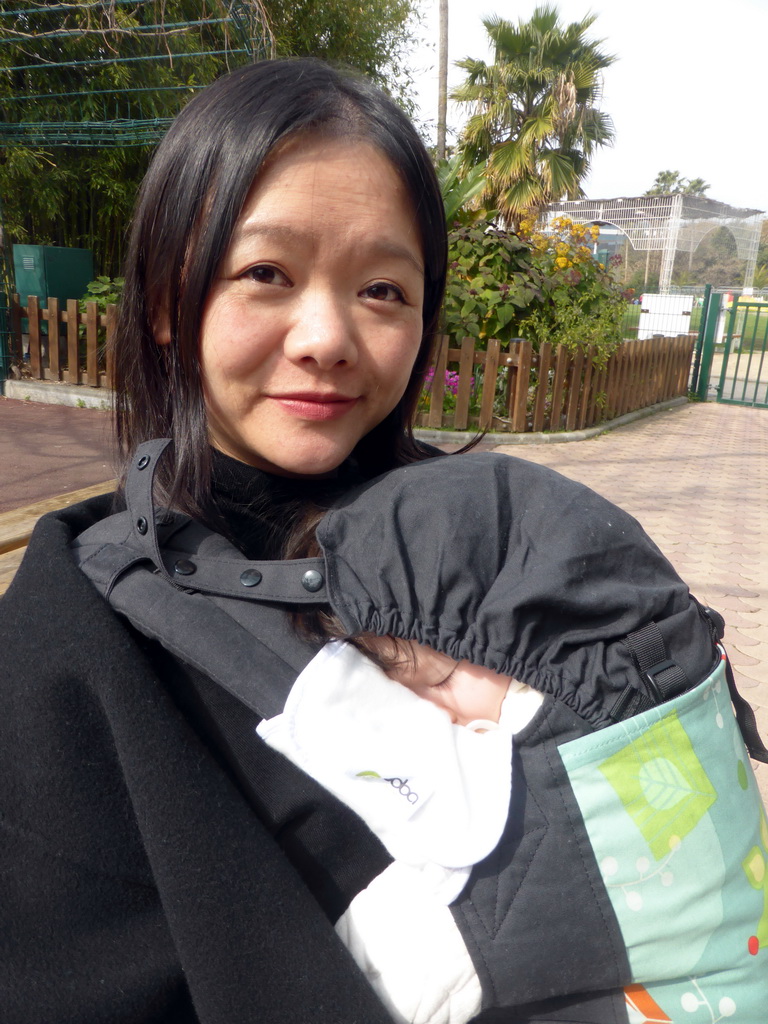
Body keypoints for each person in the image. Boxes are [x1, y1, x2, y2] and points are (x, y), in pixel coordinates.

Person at [0, 57, 448, 1024]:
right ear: (167, 301)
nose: (326, 335)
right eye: (266, 274)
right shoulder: (76, 628)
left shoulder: (491, 549)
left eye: (382, 288)